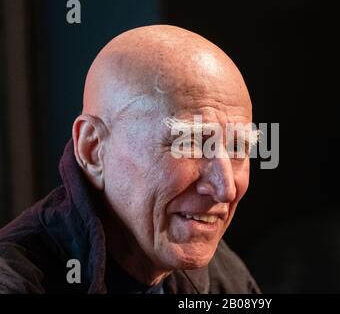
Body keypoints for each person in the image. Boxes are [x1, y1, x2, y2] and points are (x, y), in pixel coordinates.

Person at [0, 25, 260, 293]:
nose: (226, 187)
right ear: (93, 149)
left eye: (238, 147)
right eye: (189, 143)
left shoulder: (224, 275)